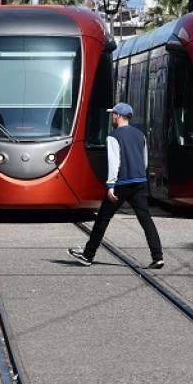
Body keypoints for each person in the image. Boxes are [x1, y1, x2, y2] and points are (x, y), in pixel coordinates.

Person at [69, 103, 164, 269]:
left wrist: (111, 185)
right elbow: (145, 161)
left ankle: (88, 255)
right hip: (139, 182)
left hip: (121, 184)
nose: (112, 116)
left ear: (119, 116)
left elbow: (114, 162)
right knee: (146, 220)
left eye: (113, 114)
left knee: (103, 219)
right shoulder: (140, 135)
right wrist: (140, 175)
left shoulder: (113, 136)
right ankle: (158, 257)